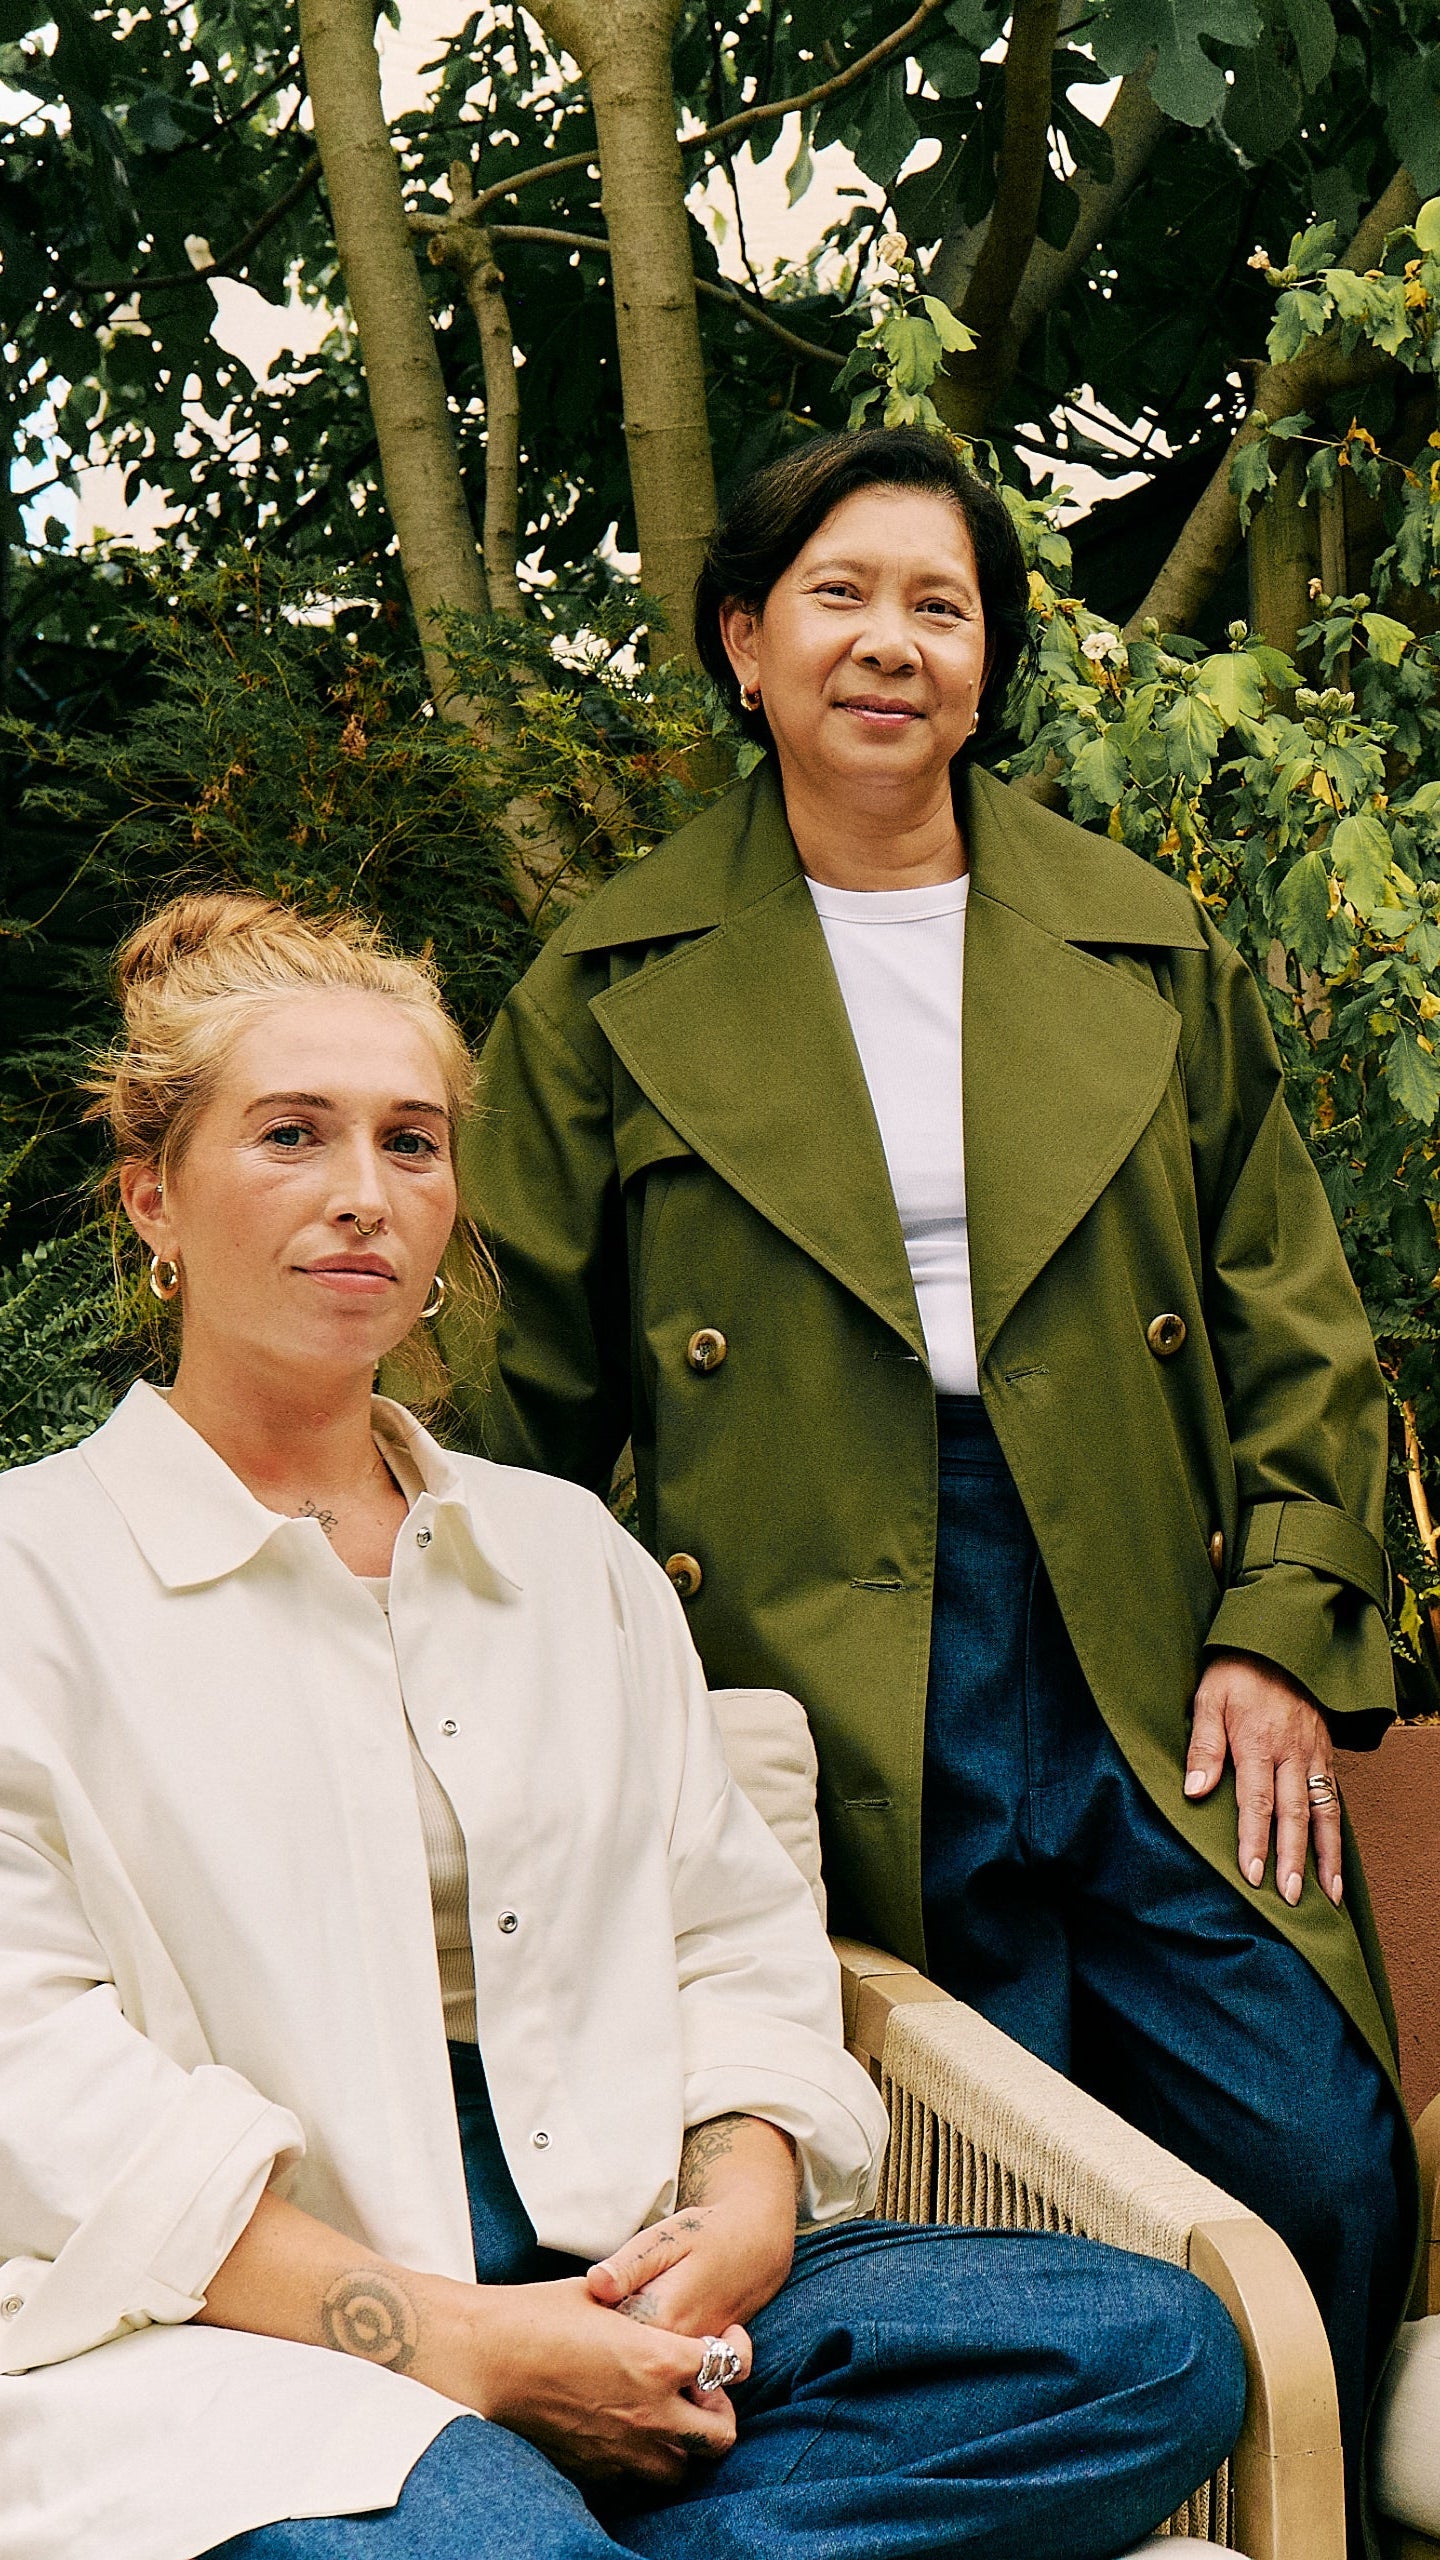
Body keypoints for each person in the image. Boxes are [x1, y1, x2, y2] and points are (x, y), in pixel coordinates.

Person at [0, 891, 1243, 2560]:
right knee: (479, 2528)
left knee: (1140, 2347)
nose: (365, 1195)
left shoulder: (566, 1556)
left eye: (414, 1143)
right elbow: (44, 2090)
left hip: (614, 2248)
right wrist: (461, 2348)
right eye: (292, 1136)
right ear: (153, 1191)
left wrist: (738, 2203)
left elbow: (732, 1938)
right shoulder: (33, 1575)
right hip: (246, 2320)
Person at [456, 422, 1415, 2539]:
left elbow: (1298, 1323)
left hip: (1144, 1620)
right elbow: (503, 1415)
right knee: (1009, 2181)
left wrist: (1277, 1623)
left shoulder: (1146, 945)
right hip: (809, 1637)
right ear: (742, 641)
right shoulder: (606, 986)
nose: (889, 642)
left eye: (940, 604)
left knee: (1327, 2145)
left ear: (985, 667)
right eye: (838, 594)